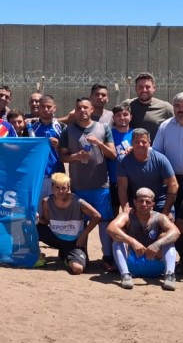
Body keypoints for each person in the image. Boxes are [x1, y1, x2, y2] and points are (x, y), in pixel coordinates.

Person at [59, 97, 115, 241]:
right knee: (80, 222)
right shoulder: (68, 130)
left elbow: (113, 154)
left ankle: (107, 257)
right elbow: (62, 157)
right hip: (79, 187)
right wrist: (75, 157)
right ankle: (82, 254)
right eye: (79, 108)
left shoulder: (103, 128)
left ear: (92, 110)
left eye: (85, 107)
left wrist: (100, 144)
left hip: (101, 186)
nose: (82, 110)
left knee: (104, 221)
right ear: (75, 111)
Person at [107, 187, 180, 291]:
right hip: (132, 264)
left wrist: (156, 244)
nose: (144, 204)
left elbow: (176, 232)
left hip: (155, 263)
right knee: (117, 240)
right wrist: (132, 241)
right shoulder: (127, 216)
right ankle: (125, 275)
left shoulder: (160, 217)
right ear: (135, 202)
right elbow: (111, 228)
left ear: (153, 204)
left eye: (148, 202)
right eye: (141, 201)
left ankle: (170, 276)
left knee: (168, 239)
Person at [36, 172, 101, 274]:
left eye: (64, 188)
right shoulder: (46, 202)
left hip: (74, 243)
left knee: (77, 269)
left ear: (68, 188)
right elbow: (46, 221)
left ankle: (66, 257)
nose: (60, 191)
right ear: (52, 187)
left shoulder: (77, 202)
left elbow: (97, 216)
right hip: (55, 237)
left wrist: (84, 235)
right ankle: (36, 255)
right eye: (57, 188)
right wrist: (36, 219)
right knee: (31, 226)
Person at [116, 128, 178, 214]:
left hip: (159, 202)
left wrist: (166, 211)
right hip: (137, 203)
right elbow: (122, 187)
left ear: (149, 142)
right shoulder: (123, 160)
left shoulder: (160, 159)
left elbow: (173, 185)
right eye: (136, 142)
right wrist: (125, 208)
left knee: (168, 225)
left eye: (143, 142)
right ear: (131, 142)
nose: (140, 144)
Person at [30, 94, 65, 197]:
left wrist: (58, 146)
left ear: (54, 108)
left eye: (49, 107)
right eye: (43, 106)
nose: (46, 109)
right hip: (37, 174)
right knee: (37, 210)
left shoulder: (62, 127)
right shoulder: (31, 128)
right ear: (39, 108)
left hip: (56, 174)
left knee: (55, 208)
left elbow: (67, 152)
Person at [124, 73, 173, 141]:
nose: (144, 90)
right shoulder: (127, 105)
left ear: (154, 88)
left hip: (156, 150)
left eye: (147, 87)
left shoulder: (165, 108)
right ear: (135, 89)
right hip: (131, 150)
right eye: (140, 87)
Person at [108, 102, 135, 218]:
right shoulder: (108, 134)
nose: (122, 118)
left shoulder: (136, 134)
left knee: (132, 213)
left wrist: (134, 149)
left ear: (131, 116)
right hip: (113, 180)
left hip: (132, 181)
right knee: (113, 214)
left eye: (125, 114)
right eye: (118, 115)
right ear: (113, 118)